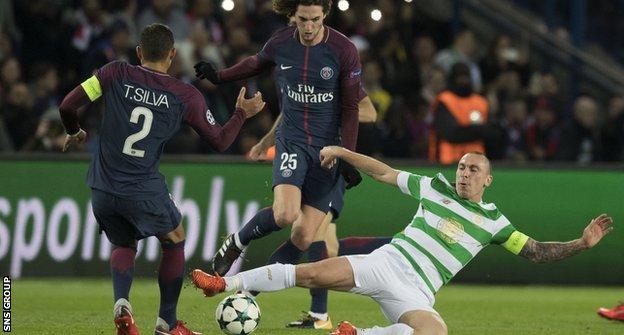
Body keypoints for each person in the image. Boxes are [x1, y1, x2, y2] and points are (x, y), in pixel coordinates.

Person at [191, 150, 613, 335]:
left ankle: (357, 333)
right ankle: (223, 284)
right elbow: (382, 172)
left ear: (488, 179)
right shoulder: (436, 188)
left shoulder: (496, 223)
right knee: (311, 272)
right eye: (461, 168)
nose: (464, 174)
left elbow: (537, 252)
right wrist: (343, 150)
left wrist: (581, 243)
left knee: (434, 330)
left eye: (473, 170)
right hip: (387, 263)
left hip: (415, 291)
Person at [58, 23, 265, 335]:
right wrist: (241, 114)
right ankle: (166, 323)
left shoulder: (113, 73)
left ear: (139, 52)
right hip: (142, 186)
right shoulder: (185, 95)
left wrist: (74, 132)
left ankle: (122, 303)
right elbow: (221, 141)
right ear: (173, 54)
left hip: (102, 186)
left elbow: (67, 105)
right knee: (174, 238)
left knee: (123, 241)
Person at [194, 0, 363, 278]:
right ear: (292, 17)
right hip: (293, 141)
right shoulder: (281, 42)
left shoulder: (343, 50)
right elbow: (254, 64)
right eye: (302, 20)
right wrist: (219, 77)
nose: (309, 27)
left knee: (304, 237)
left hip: (328, 149)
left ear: (325, 16)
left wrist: (347, 155)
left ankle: (251, 291)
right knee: (285, 214)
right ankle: (236, 243)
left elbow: (351, 109)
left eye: (315, 20)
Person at [249, 95, 390, 329]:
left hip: (330, 167)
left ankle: (250, 292)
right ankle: (318, 314)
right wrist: (267, 141)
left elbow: (369, 113)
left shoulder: (340, 75)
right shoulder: (304, 78)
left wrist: (325, 117)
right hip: (309, 164)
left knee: (308, 235)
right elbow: (291, 114)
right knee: (326, 244)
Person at [428, 62, 492, 164]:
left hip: (476, 164)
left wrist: (467, 130)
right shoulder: (444, 100)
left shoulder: (481, 102)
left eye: (465, 77)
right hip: (447, 162)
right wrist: (477, 130)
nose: (463, 81)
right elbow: (449, 133)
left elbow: (490, 132)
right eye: (459, 77)